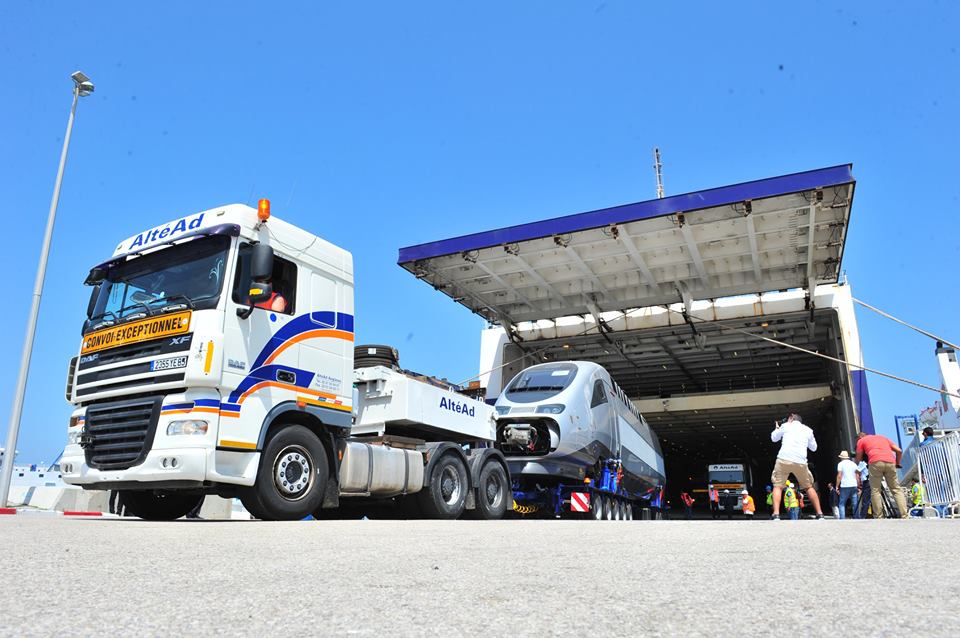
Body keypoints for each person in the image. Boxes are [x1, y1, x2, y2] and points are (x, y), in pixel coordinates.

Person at [769, 413, 825, 520]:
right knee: (808, 487)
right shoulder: (808, 430)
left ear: (791, 418)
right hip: (800, 461)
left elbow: (774, 438)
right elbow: (814, 448)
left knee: (778, 486)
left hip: (783, 459)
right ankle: (820, 514)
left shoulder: (785, 426)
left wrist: (777, 429)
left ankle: (776, 514)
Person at [855, 431, 908, 519]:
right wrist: (897, 463)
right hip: (891, 462)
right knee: (896, 489)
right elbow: (899, 450)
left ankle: (879, 516)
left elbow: (858, 458)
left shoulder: (861, 441)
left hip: (875, 462)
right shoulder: (883, 437)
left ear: (860, 437)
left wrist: (860, 462)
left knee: (875, 490)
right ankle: (904, 515)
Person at [835, 450, 860, 520]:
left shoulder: (840, 464)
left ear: (841, 457)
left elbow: (839, 476)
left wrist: (837, 486)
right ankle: (857, 517)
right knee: (855, 503)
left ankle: (842, 519)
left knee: (842, 503)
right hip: (853, 485)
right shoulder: (853, 464)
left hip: (845, 486)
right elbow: (857, 475)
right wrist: (858, 485)